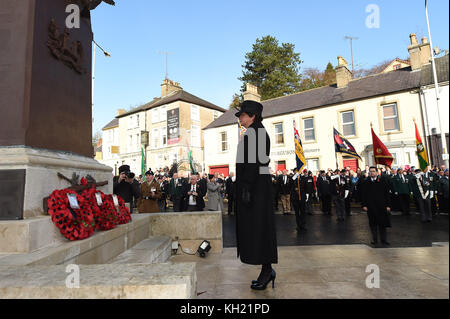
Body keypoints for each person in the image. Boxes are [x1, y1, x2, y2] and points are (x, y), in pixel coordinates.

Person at [234, 100, 277, 291]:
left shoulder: (256, 133)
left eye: (243, 115)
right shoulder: (254, 132)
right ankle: (266, 270)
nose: (240, 119)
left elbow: (254, 164)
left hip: (256, 188)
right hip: (257, 186)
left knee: (260, 228)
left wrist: (247, 188)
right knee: (259, 228)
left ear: (252, 116)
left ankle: (267, 271)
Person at [361, 166, 392, 246]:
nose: (372, 173)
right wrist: (364, 205)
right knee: (373, 224)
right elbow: (363, 194)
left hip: (382, 206)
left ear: (377, 172)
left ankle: (384, 239)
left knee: (382, 223)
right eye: (370, 171)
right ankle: (374, 240)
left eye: (373, 171)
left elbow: (387, 194)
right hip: (371, 206)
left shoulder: (382, 181)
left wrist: (388, 205)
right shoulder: (366, 182)